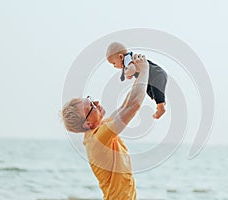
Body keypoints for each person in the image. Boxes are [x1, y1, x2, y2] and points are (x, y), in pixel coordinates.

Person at [61, 54, 149, 200]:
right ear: (87, 123)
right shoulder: (98, 139)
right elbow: (134, 106)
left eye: (90, 99)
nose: (96, 102)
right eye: (91, 106)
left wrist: (141, 75)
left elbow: (125, 106)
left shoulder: (99, 130)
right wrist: (145, 71)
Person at [106, 42, 168, 119]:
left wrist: (126, 72)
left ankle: (161, 108)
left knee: (157, 91)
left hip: (156, 74)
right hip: (150, 77)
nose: (114, 66)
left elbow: (132, 70)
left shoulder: (127, 59)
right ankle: (160, 103)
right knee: (149, 91)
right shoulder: (127, 63)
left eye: (114, 63)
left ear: (121, 57)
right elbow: (130, 75)